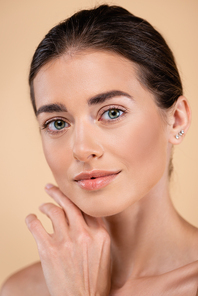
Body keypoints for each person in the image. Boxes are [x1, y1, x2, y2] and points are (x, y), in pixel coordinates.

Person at [1, 4, 198, 296]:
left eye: (112, 113)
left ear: (176, 119)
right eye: (57, 123)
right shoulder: (21, 290)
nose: (81, 149)